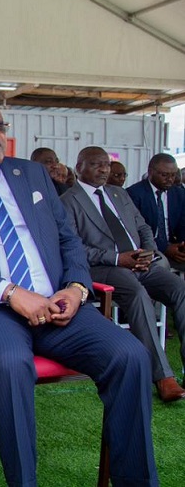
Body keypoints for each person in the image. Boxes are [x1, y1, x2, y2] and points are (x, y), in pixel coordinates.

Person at [0, 95, 157, 486]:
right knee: (11, 364)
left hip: (57, 304)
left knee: (130, 355)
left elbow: (68, 240)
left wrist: (76, 288)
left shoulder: (31, 174)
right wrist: (10, 293)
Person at [60, 146, 185, 402]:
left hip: (141, 263)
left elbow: (143, 227)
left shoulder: (119, 193)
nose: (104, 169)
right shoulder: (67, 201)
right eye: (96, 164)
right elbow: (74, 248)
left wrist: (148, 252)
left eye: (106, 164)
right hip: (105, 268)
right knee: (137, 293)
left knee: (180, 289)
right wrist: (118, 258)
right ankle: (163, 377)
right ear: (79, 167)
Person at [127, 153, 185, 271]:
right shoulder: (134, 194)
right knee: (161, 265)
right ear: (150, 172)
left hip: (174, 246)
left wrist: (182, 245)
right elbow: (136, 230)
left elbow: (182, 224)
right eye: (164, 175)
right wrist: (165, 247)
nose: (170, 179)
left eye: (173, 175)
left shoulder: (179, 194)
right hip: (147, 249)